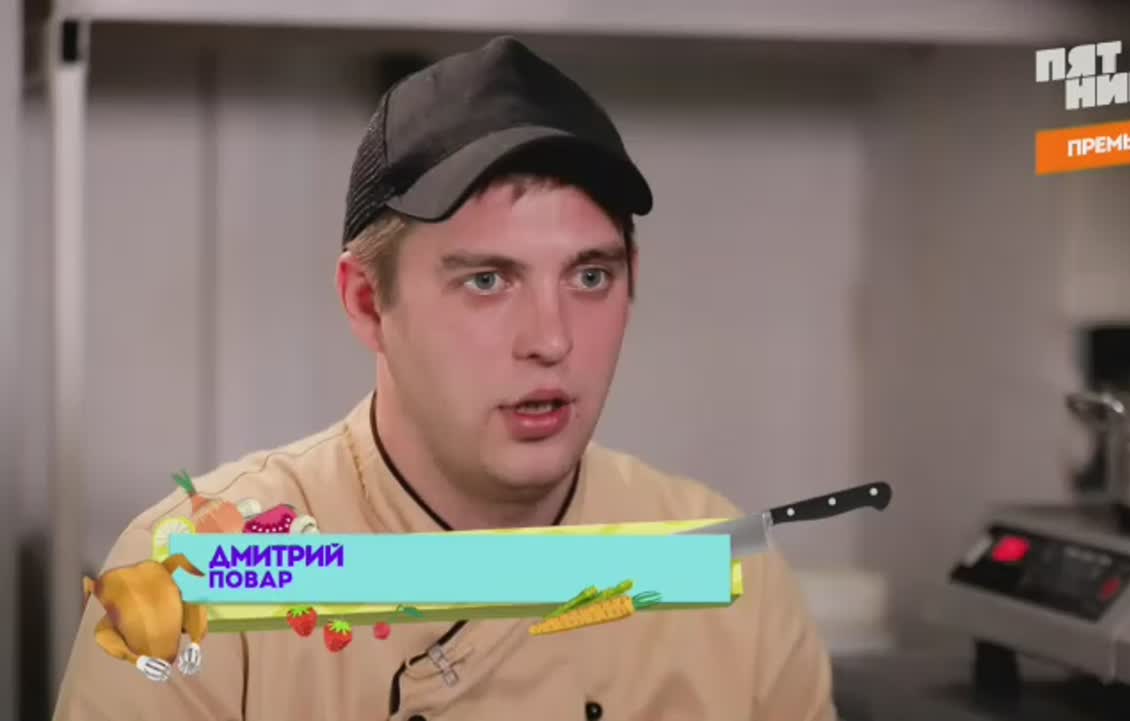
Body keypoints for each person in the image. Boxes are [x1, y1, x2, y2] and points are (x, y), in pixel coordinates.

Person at [52, 35, 837, 721]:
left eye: (590, 276)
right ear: (368, 303)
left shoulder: (722, 572)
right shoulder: (201, 578)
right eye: (487, 281)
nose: (552, 339)